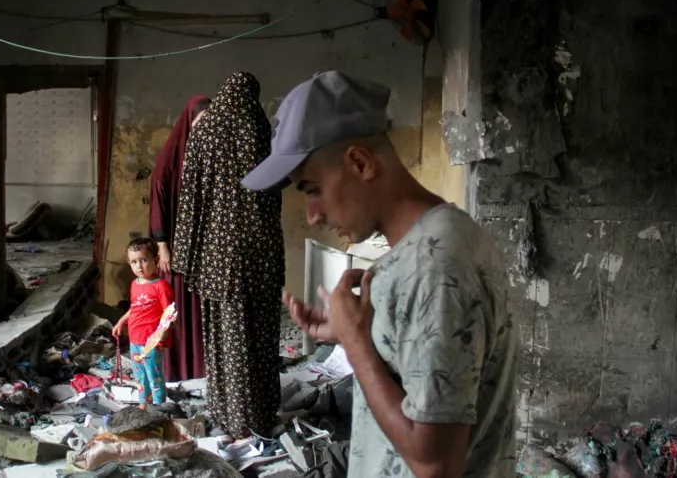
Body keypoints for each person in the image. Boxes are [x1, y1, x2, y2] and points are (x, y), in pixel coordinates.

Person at [241, 71, 518, 478]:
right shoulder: (440, 240)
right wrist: (358, 331)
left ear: (360, 162)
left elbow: (434, 464)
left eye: (312, 189)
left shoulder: (436, 266)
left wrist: (357, 343)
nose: (313, 216)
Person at [172, 72, 285, 439]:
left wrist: (184, 254)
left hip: (216, 256)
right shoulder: (259, 127)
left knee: (225, 337)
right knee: (259, 334)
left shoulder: (204, 131)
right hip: (258, 252)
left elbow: (189, 194)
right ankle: (261, 414)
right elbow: (274, 191)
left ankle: (229, 415)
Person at [149, 95, 209, 383]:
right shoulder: (172, 157)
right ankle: (176, 370)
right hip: (175, 247)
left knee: (200, 308)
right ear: (188, 122)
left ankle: (201, 370)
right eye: (200, 121)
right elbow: (159, 192)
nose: (205, 128)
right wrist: (163, 246)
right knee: (176, 307)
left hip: (203, 247)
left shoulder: (209, 153)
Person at [112, 238, 174, 409]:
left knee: (154, 377)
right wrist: (121, 322)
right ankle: (143, 406)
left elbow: (169, 315)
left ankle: (159, 408)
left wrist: (161, 338)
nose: (139, 266)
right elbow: (134, 308)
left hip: (151, 342)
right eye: (134, 262)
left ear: (156, 260)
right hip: (135, 340)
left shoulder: (161, 286)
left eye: (144, 260)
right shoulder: (135, 284)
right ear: (129, 263)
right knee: (140, 377)